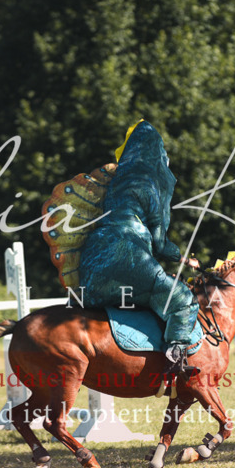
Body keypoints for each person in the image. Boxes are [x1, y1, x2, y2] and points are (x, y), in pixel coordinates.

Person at [78, 121, 200, 378]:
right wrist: (182, 258)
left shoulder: (117, 182)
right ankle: (175, 361)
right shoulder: (152, 184)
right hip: (129, 257)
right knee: (182, 300)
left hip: (91, 268)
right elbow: (159, 243)